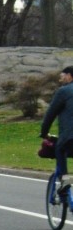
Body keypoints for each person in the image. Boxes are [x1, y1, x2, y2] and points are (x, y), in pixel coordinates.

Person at [40, 65, 73, 194]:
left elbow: (50, 114)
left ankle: (65, 180)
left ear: (69, 76)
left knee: (60, 149)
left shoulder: (64, 91)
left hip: (70, 136)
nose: (61, 80)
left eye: (62, 77)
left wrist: (44, 132)